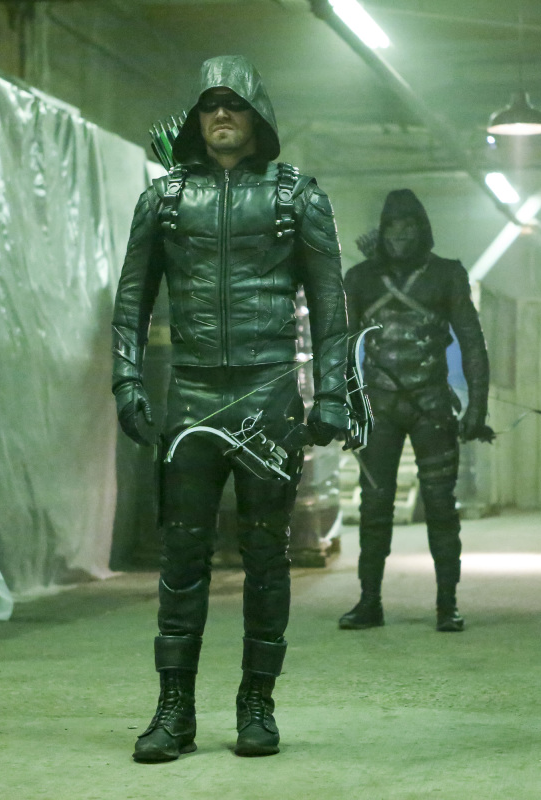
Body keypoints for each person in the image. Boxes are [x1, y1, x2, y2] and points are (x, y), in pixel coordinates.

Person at [111, 55, 350, 762]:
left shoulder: (297, 197)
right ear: (197, 117)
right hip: (191, 395)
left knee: (267, 556)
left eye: (235, 104)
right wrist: (127, 379)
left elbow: (330, 301)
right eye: (210, 103)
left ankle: (257, 704)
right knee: (182, 557)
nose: (222, 114)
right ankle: (174, 709)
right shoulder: (164, 199)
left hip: (268, 396)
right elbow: (132, 297)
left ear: (257, 116)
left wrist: (333, 392)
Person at [339, 189, 491, 633]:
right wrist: (340, 407)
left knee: (441, 507)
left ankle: (447, 605)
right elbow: (340, 347)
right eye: (392, 226)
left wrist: (478, 408)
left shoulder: (446, 275)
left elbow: (472, 341)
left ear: (422, 229)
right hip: (378, 407)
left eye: (408, 226)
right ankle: (369, 602)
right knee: (374, 507)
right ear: (382, 231)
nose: (400, 234)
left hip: (432, 407)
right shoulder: (360, 278)